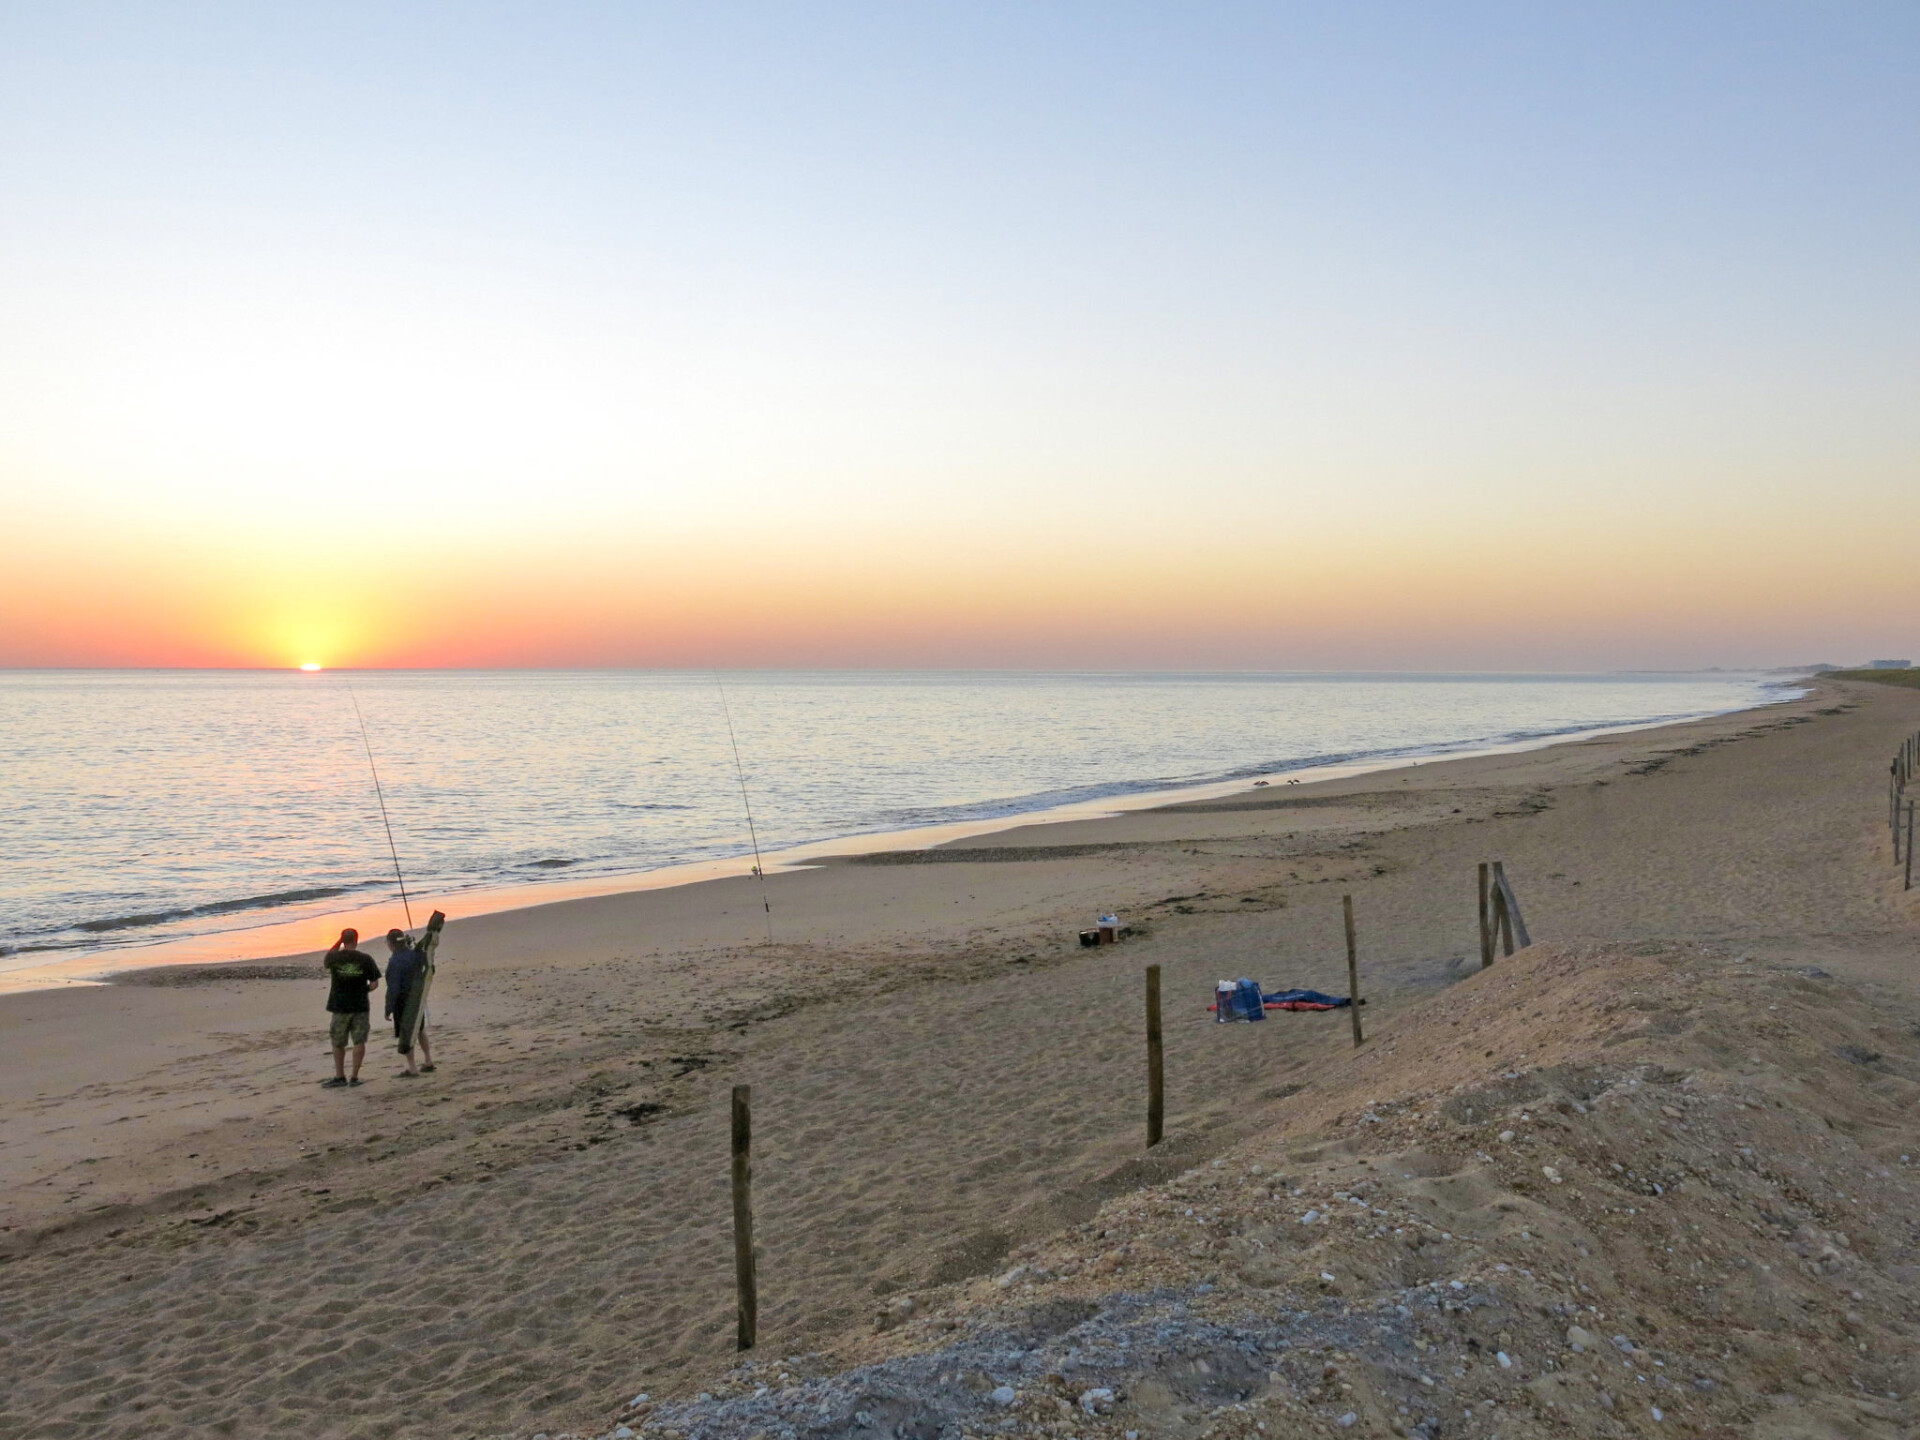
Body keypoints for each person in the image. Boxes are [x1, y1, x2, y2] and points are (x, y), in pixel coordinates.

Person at [321, 927, 382, 1088]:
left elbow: (327, 958)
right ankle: (354, 1076)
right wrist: (364, 990)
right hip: (360, 1005)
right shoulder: (365, 959)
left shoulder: (335, 957)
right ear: (356, 940)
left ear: (343, 941)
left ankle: (340, 1075)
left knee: (338, 1042)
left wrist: (338, 942)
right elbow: (374, 983)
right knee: (359, 1041)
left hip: (340, 1006)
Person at [383, 927, 435, 1076]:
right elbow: (426, 965)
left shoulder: (395, 962)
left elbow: (394, 987)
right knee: (419, 1029)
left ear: (391, 944)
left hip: (402, 1002)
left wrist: (388, 1008)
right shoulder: (415, 954)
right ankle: (428, 1059)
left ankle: (412, 1067)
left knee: (406, 1032)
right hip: (416, 998)